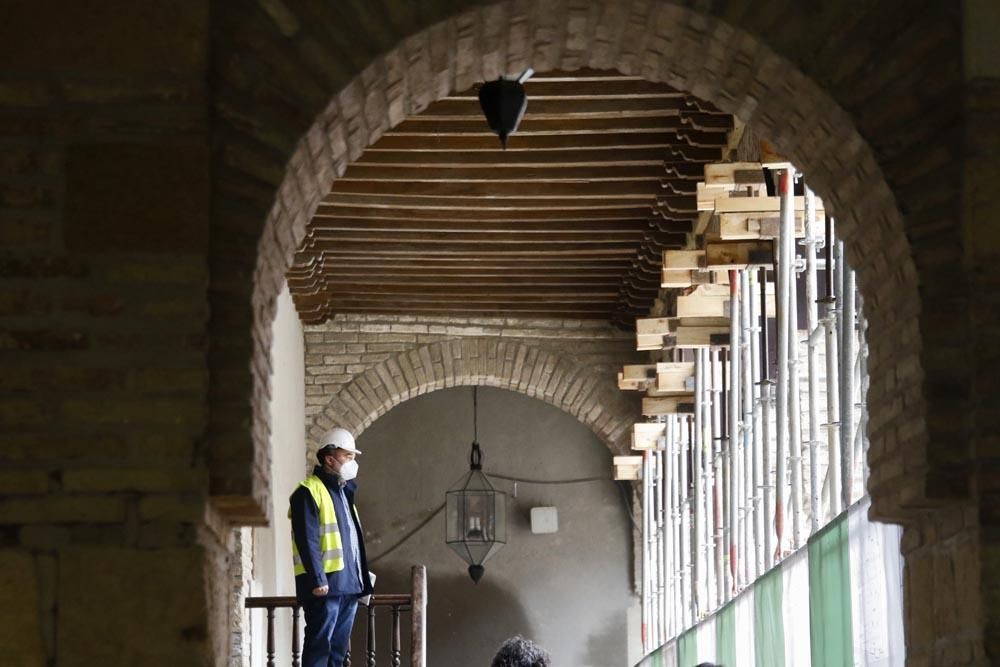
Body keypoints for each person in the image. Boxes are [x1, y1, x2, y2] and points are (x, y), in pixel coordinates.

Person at [289, 427, 373, 667]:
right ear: (329, 458)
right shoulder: (307, 492)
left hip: (348, 585)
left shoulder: (344, 493)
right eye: (348, 456)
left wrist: (361, 582)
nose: (353, 462)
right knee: (319, 646)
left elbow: (353, 545)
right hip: (325, 586)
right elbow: (307, 539)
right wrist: (317, 580)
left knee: (337, 651)